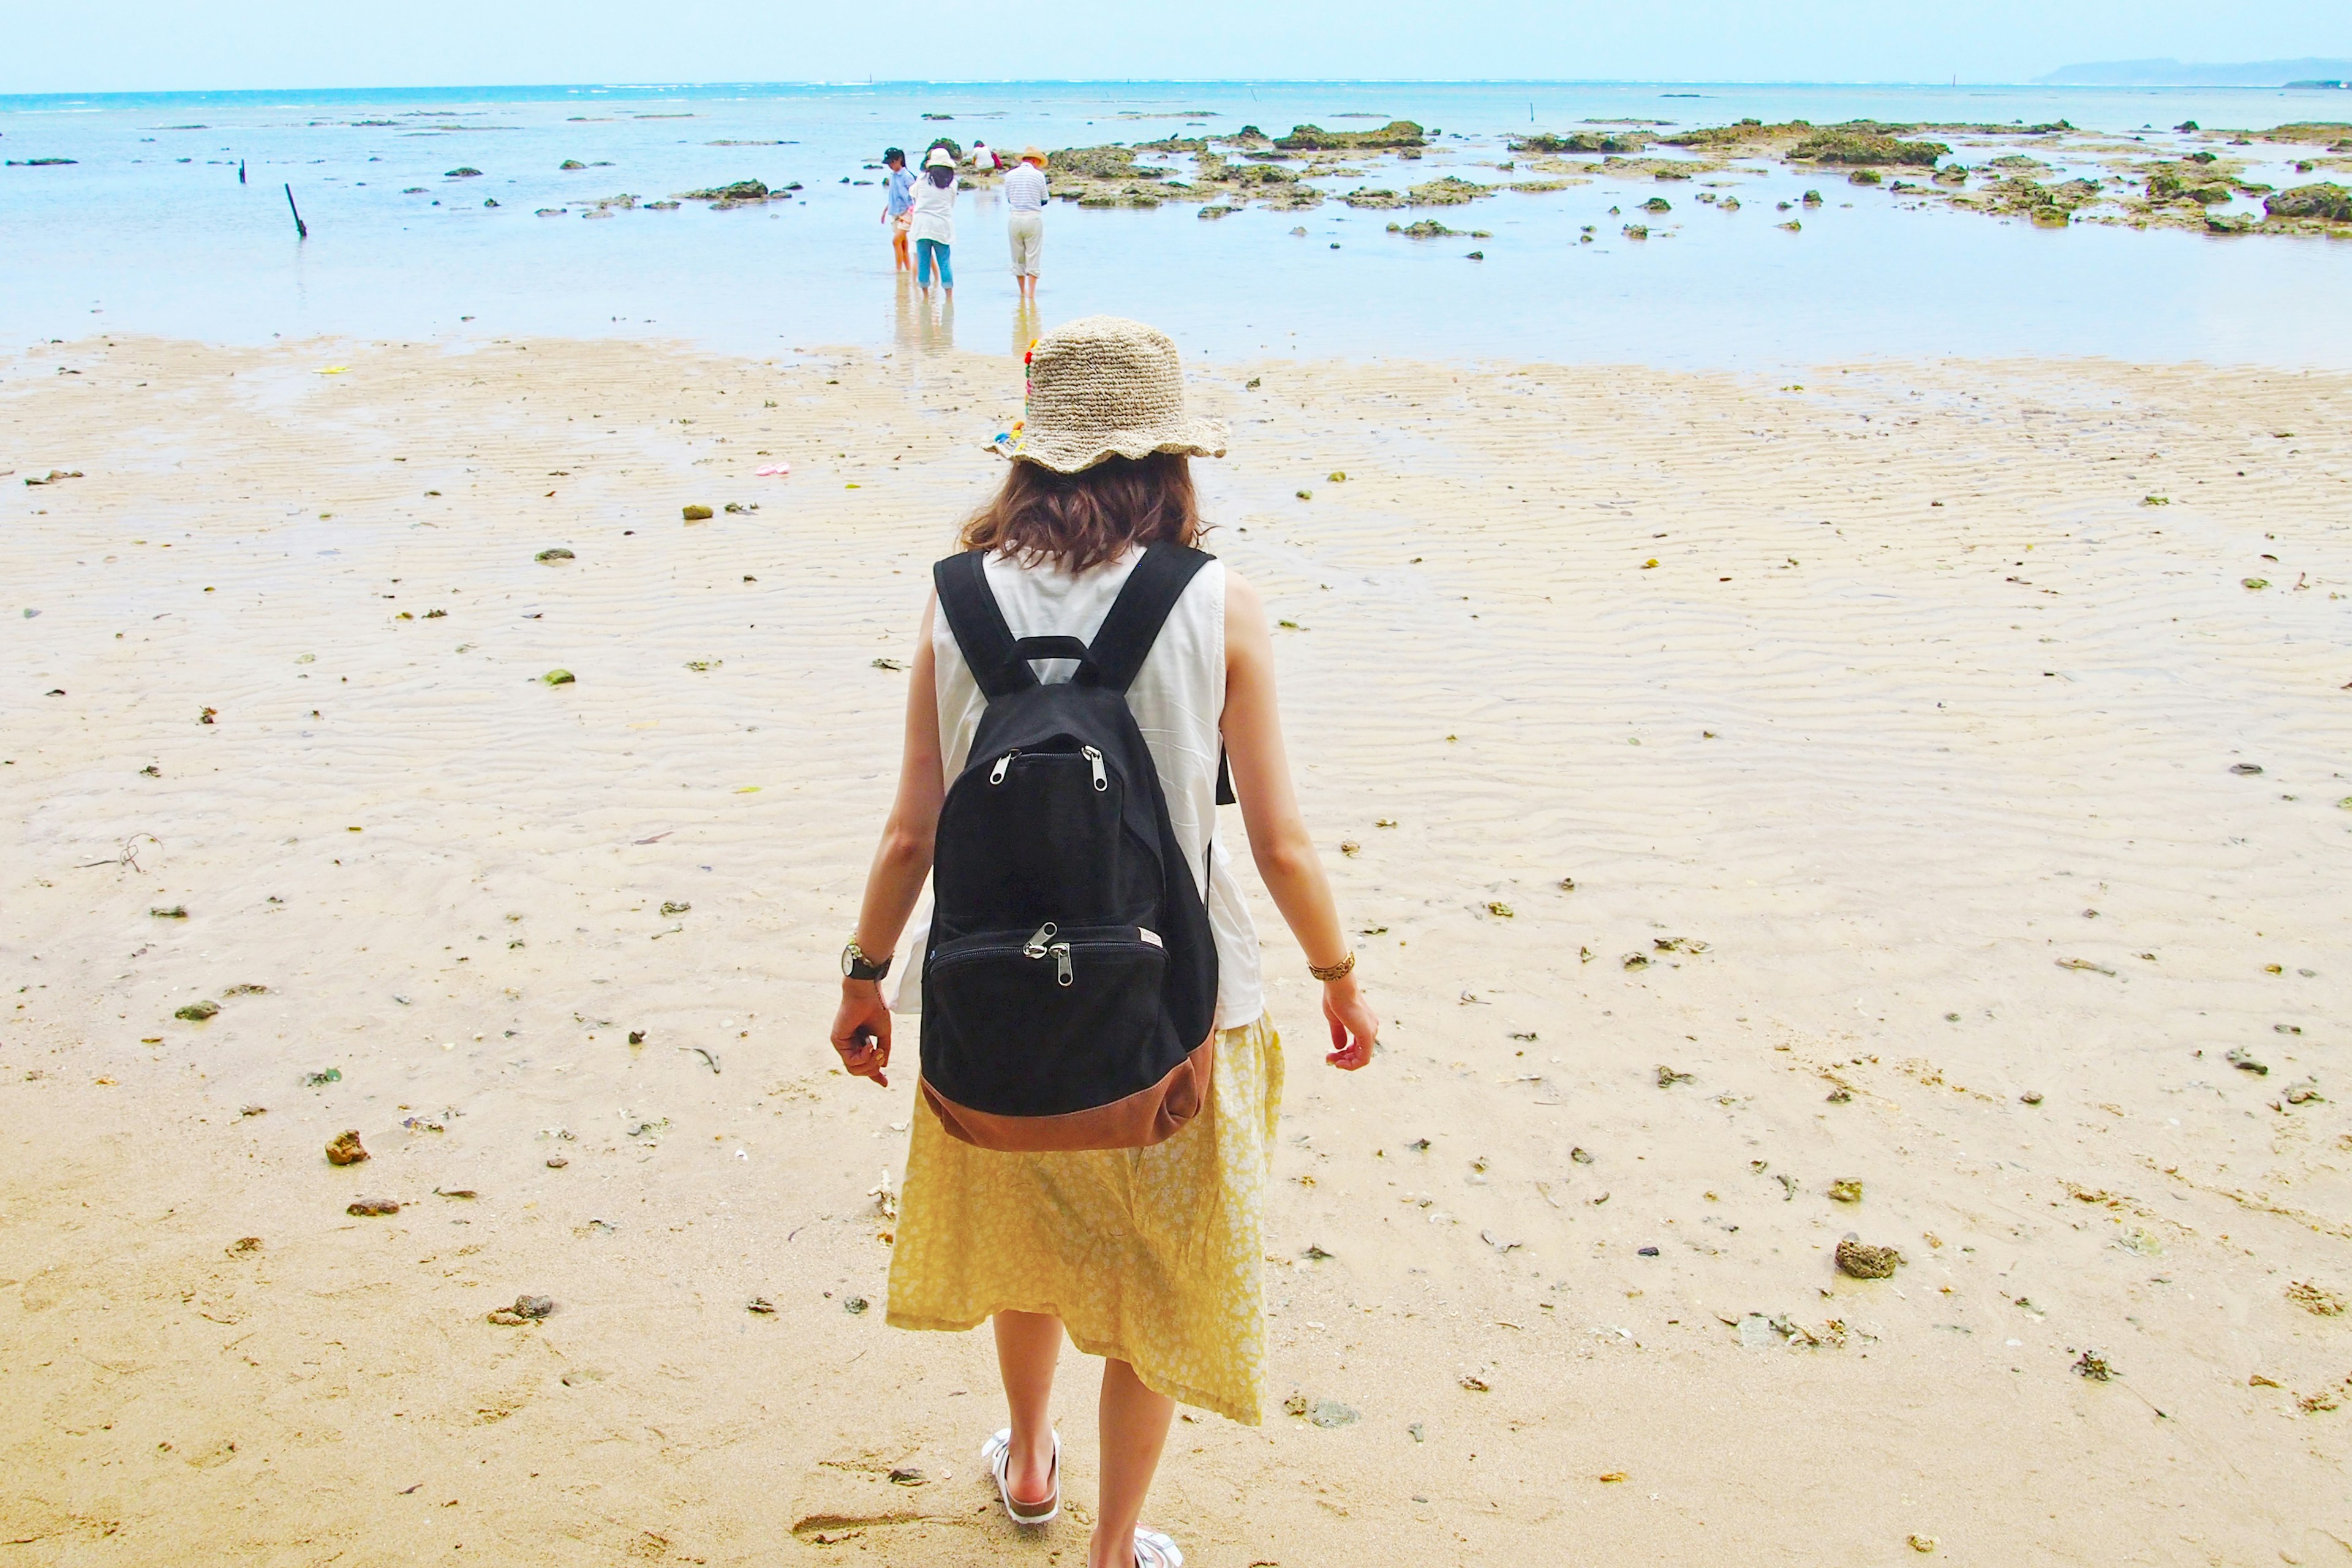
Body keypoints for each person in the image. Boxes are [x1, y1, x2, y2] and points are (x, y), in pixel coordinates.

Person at [827, 315, 1379, 1568]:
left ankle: (1028, 1462)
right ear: (1168, 461)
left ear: (1033, 458)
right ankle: (1115, 1545)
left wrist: (864, 976)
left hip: (988, 998)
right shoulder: (1218, 603)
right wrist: (1341, 976)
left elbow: (912, 830)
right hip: (1181, 1001)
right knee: (1157, 1277)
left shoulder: (952, 597)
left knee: (1028, 1229)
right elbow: (1282, 841)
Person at [908, 146, 957, 301]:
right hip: (942, 225)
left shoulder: (922, 180)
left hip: (922, 225)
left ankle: (925, 296)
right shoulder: (953, 183)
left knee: (923, 260)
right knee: (944, 260)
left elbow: (913, 193)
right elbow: (951, 203)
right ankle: (949, 296)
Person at [1005, 146, 1049, 304]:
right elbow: (1045, 199)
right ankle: (1032, 294)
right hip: (1033, 218)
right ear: (1035, 160)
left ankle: (1022, 292)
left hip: (1015, 218)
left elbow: (1009, 198)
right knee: (1033, 255)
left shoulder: (1009, 175)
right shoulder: (1038, 176)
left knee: (1018, 257)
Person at [880, 147, 914, 273]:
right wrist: (885, 211)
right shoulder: (892, 177)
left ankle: (898, 270)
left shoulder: (907, 177)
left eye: (892, 162)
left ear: (899, 160)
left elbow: (914, 196)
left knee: (896, 241)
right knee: (903, 243)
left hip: (907, 213)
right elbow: (893, 196)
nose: (890, 165)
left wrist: (913, 214)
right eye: (888, 163)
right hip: (895, 213)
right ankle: (908, 270)